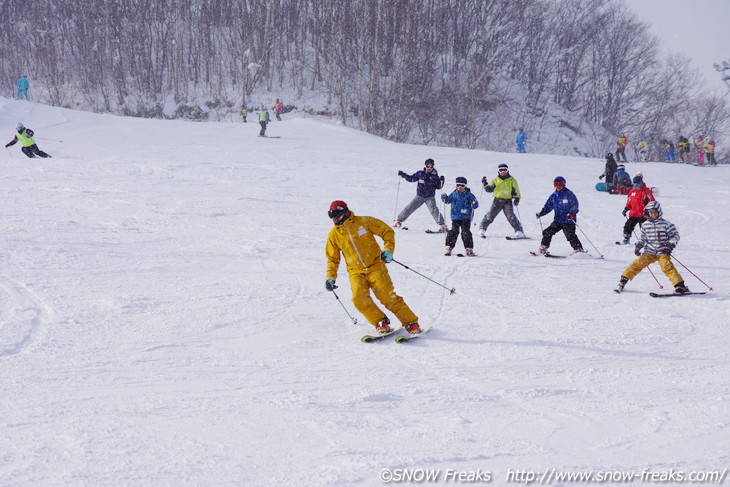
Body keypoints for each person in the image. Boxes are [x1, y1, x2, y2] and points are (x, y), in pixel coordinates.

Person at [324, 200, 421, 335]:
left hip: (376, 266)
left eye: (336, 215)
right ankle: (380, 322)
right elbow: (332, 259)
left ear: (345, 212)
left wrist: (388, 250)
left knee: (387, 297)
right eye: (331, 216)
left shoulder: (364, 222)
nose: (334, 219)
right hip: (356, 271)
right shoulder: (334, 235)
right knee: (358, 299)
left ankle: (411, 323)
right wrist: (330, 277)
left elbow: (387, 231)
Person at [615, 201, 688, 294]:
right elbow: (643, 238)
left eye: (655, 212)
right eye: (651, 212)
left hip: (662, 251)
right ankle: (623, 280)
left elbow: (675, 236)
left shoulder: (666, 224)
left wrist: (669, 246)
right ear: (647, 213)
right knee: (637, 264)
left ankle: (680, 286)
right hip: (649, 251)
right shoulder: (645, 225)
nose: (653, 214)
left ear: (659, 212)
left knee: (667, 266)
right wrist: (638, 246)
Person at [394, 158, 447, 231]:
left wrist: (441, 181)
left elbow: (438, 187)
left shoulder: (435, 176)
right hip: (419, 196)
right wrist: (403, 175)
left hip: (430, 197)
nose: (429, 168)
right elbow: (411, 179)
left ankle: (443, 225)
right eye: (428, 166)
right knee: (410, 207)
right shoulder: (420, 174)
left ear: (433, 166)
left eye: (431, 166)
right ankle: (399, 221)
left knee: (434, 210)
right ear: (425, 166)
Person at [535, 176, 583, 254]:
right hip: (558, 220)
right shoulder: (554, 196)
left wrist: (572, 213)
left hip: (568, 220)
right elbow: (548, 206)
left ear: (564, 184)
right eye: (556, 184)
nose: (558, 186)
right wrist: (541, 213)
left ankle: (578, 249)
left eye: (560, 184)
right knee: (547, 232)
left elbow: (575, 205)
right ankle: (543, 247)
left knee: (570, 235)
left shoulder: (569, 194)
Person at [478, 163, 525, 238]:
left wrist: (517, 198)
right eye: (501, 170)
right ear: (498, 171)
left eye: (505, 170)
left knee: (511, 216)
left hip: (507, 201)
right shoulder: (496, 180)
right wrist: (484, 183)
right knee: (491, 215)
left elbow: (516, 190)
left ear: (507, 171)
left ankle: (519, 231)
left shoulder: (512, 180)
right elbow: (488, 189)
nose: (503, 172)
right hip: (497, 201)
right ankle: (482, 229)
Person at [441, 177, 478, 256]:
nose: (460, 188)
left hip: (466, 218)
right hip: (455, 217)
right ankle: (449, 246)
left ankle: (468, 248)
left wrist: (474, 204)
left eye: (462, 186)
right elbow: (447, 201)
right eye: (458, 185)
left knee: (465, 232)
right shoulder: (453, 194)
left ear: (465, 186)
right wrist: (444, 197)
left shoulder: (469, 195)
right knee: (454, 231)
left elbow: (475, 204)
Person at [619, 174, 655, 244]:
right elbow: (629, 202)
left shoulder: (646, 191)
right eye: (635, 183)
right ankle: (626, 239)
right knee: (628, 226)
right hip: (634, 214)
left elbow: (652, 202)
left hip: (644, 214)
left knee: (645, 228)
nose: (636, 184)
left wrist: (650, 211)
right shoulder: (632, 192)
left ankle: (645, 241)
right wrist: (625, 209)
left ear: (641, 182)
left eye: (638, 183)